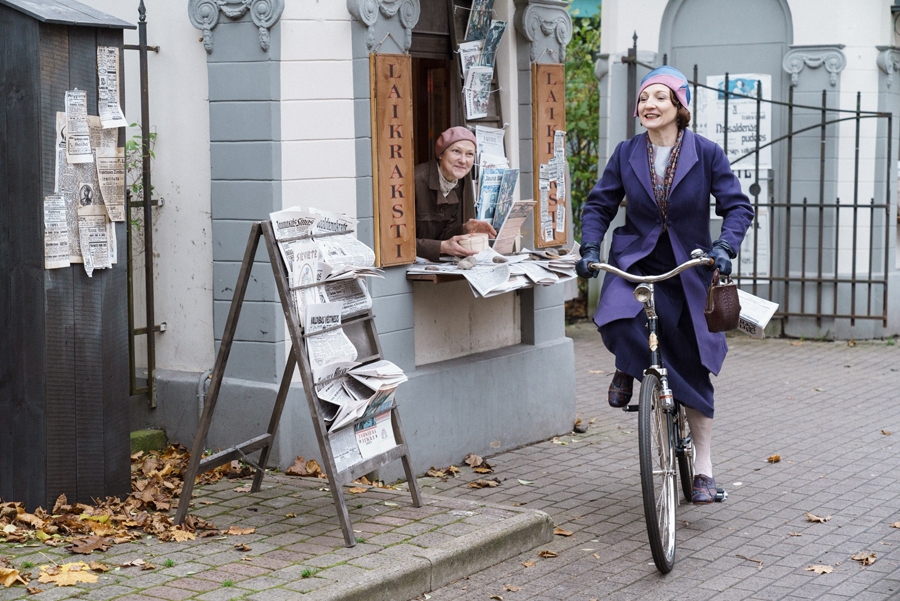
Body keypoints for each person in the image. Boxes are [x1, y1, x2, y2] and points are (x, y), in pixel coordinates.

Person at [575, 66, 753, 505]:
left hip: (689, 267)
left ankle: (704, 469)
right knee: (617, 320)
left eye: (660, 97)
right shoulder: (625, 152)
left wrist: (725, 246)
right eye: (643, 99)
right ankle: (630, 364)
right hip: (636, 260)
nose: (649, 105)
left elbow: (737, 207)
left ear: (679, 107)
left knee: (692, 363)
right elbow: (599, 204)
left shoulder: (707, 153)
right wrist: (590, 247)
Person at [415, 126, 497, 261]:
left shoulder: (458, 182)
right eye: (456, 151)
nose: (463, 160)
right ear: (441, 154)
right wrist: (441, 247)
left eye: (469, 154)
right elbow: (397, 241)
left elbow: (443, 234)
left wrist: (465, 228)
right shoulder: (415, 181)